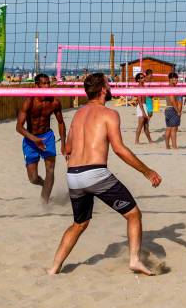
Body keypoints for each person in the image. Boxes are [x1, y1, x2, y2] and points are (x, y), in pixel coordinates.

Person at [48, 73, 162, 275]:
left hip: (73, 175)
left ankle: (54, 267)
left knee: (79, 223)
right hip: (95, 174)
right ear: (102, 90)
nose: (111, 87)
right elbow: (119, 149)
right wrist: (147, 171)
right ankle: (135, 260)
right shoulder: (109, 114)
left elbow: (67, 148)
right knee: (134, 214)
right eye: (108, 84)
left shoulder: (78, 114)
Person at [16, 73, 66, 203]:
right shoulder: (29, 101)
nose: (47, 86)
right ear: (36, 85)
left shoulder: (54, 101)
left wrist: (63, 144)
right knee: (33, 178)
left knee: (50, 170)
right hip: (31, 139)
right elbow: (19, 127)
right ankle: (44, 185)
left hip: (47, 137)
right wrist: (34, 139)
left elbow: (61, 122)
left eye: (48, 83)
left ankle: (45, 203)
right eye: (43, 84)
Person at [134, 72, 154, 144]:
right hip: (141, 107)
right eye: (142, 78)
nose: (144, 78)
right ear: (138, 80)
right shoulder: (139, 87)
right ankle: (136, 141)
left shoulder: (143, 86)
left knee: (146, 125)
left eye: (143, 77)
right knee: (140, 125)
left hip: (144, 106)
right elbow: (139, 101)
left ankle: (150, 140)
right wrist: (143, 112)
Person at [165, 72, 183, 149]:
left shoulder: (170, 87)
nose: (175, 79)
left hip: (168, 109)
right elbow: (172, 100)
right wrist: (178, 111)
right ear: (169, 79)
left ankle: (167, 146)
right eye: (173, 78)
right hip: (172, 109)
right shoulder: (171, 88)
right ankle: (174, 146)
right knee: (174, 129)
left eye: (176, 78)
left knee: (169, 128)